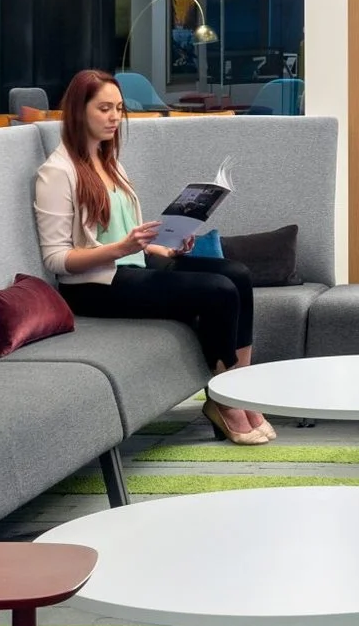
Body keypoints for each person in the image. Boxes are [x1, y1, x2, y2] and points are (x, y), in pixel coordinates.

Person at [34, 68, 273, 445]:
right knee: (218, 291)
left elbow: (130, 239)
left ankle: (241, 387)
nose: (115, 117)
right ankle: (222, 398)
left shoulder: (110, 164)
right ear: (79, 112)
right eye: (104, 109)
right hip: (95, 285)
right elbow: (56, 259)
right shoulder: (56, 173)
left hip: (133, 264)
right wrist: (122, 249)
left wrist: (168, 245)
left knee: (238, 274)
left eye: (118, 108)